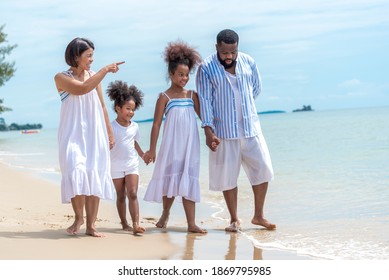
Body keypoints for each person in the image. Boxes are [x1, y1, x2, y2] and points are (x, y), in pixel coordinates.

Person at [196, 29, 276, 232]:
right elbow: (205, 101)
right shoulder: (206, 68)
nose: (229, 56)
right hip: (223, 132)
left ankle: (259, 216)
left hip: (251, 128)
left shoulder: (248, 61)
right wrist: (208, 131)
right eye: (224, 53)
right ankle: (234, 219)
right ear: (217, 48)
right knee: (227, 177)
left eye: (233, 52)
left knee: (263, 170)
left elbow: (255, 89)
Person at [54, 37, 124, 237]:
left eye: (93, 55)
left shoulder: (94, 76)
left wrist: (109, 132)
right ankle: (79, 218)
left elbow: (101, 105)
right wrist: (105, 70)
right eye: (89, 55)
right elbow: (81, 89)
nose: (92, 59)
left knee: (94, 172)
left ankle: (91, 225)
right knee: (75, 168)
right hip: (72, 133)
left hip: (95, 133)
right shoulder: (61, 77)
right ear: (76, 56)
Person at [143, 40, 207, 234]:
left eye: (187, 75)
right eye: (180, 74)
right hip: (171, 146)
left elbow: (204, 118)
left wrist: (212, 134)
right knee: (170, 180)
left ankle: (191, 223)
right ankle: (165, 213)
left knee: (188, 178)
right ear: (171, 74)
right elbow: (156, 124)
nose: (184, 78)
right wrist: (152, 149)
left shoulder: (192, 95)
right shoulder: (164, 97)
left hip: (190, 146)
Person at [107, 80, 147, 235]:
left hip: (132, 164)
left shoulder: (135, 126)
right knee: (121, 196)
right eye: (128, 108)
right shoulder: (111, 126)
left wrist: (142, 154)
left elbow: (134, 143)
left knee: (133, 193)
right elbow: (106, 144)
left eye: (133, 109)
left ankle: (136, 224)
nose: (131, 112)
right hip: (115, 165)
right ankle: (124, 223)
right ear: (118, 108)